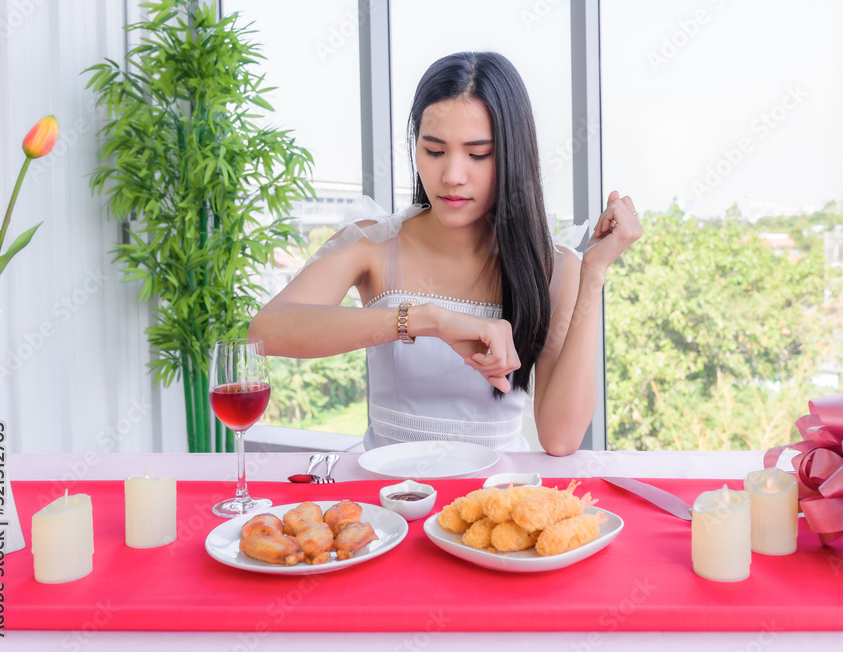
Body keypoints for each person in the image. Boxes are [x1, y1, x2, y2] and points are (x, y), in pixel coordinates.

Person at [249, 51, 640, 456]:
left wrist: (593, 275)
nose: (452, 175)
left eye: (478, 154)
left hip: (495, 503)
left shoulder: (553, 266)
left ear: (513, 155)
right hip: (389, 503)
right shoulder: (373, 244)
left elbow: (561, 439)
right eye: (434, 151)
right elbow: (267, 331)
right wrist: (426, 320)